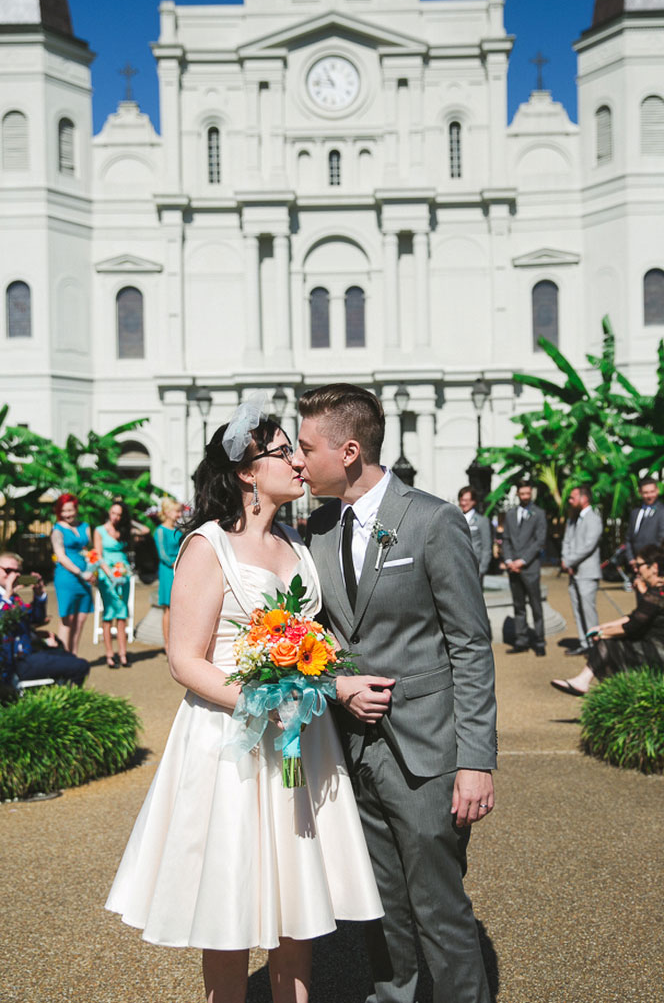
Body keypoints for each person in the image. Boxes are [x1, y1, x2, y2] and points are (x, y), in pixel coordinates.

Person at [106, 398, 382, 1003]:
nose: (298, 463)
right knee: (228, 905)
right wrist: (264, 700)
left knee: (297, 897)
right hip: (230, 740)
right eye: (284, 452)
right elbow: (185, 659)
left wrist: (321, 682)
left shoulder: (297, 541)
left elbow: (318, 639)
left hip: (300, 743)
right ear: (247, 472)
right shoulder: (208, 545)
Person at [294, 383, 496, 1003]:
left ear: (349, 451)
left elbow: (470, 645)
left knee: (440, 908)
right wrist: (335, 686)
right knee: (378, 909)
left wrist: (475, 762)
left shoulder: (434, 521)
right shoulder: (317, 530)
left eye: (306, 448)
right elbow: (313, 640)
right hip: (352, 752)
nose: (298, 462)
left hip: (428, 752)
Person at [551, 545, 664, 697]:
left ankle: (595, 685)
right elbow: (634, 616)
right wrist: (602, 627)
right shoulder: (663, 588)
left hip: (662, 650)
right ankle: (595, 685)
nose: (635, 569)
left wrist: (603, 633)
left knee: (607, 643)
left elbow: (632, 626)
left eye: (639, 565)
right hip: (658, 644)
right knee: (608, 641)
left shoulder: (657, 593)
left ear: (653, 567)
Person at [0, 552, 89, 688]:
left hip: (28, 654)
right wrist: (7, 595)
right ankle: (68, 703)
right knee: (79, 666)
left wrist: (39, 595)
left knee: (70, 658)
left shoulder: (13, 597)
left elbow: (36, 618)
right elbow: (3, 623)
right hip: (11, 663)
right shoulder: (7, 597)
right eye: (8, 570)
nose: (13, 575)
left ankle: (61, 697)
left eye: (17, 572)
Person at [94, 502, 145, 668]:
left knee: (122, 614)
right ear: (109, 512)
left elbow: (145, 530)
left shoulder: (124, 530)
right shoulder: (100, 530)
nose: (115, 517)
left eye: (119, 514)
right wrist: (109, 574)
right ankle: (110, 654)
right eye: (113, 513)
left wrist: (129, 522)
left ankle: (123, 654)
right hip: (107, 575)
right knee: (109, 613)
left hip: (123, 574)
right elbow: (98, 555)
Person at [502, 479, 547, 655]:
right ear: (518, 494)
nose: (525, 496)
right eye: (522, 494)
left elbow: (540, 541)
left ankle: (540, 641)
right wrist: (508, 561)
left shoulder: (539, 513)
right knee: (518, 606)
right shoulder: (511, 514)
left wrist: (522, 561)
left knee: (536, 605)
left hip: (530, 567)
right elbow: (505, 539)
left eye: (528, 493)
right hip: (512, 568)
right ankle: (521, 640)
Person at [561, 485, 603, 656]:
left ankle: (595, 646)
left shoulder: (593, 518)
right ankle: (584, 643)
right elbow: (567, 541)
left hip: (587, 572)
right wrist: (566, 560)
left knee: (588, 610)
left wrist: (569, 561)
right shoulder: (573, 519)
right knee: (577, 609)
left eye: (573, 498)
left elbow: (589, 545)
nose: (570, 501)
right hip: (574, 572)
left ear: (584, 498)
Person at [50, 493, 94, 655]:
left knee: (81, 619)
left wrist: (91, 569)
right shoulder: (57, 530)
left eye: (70, 510)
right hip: (67, 577)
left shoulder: (85, 526)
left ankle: (73, 657)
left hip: (86, 577)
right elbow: (60, 556)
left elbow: (89, 550)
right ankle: (63, 658)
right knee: (67, 619)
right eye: (63, 511)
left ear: (76, 509)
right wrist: (81, 573)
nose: (67, 514)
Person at [154, 498, 184, 653]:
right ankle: (167, 643)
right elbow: (163, 554)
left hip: (179, 568)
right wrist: (177, 563)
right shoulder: (160, 531)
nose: (179, 514)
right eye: (176, 511)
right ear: (166, 512)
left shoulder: (178, 529)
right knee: (168, 608)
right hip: (168, 570)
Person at [625, 478, 664, 565]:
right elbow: (629, 538)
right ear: (640, 492)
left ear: (657, 490)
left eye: (652, 491)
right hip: (635, 563)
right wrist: (631, 558)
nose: (649, 495)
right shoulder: (635, 512)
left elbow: (663, 540)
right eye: (646, 493)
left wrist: (646, 560)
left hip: (653, 562)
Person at [458, 485, 492, 581]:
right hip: (458, 568)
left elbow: (486, 548)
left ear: (473, 501)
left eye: (467, 500)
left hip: (474, 568)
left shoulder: (482, 521)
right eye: (462, 500)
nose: (464, 503)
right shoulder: (455, 519)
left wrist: (481, 570)